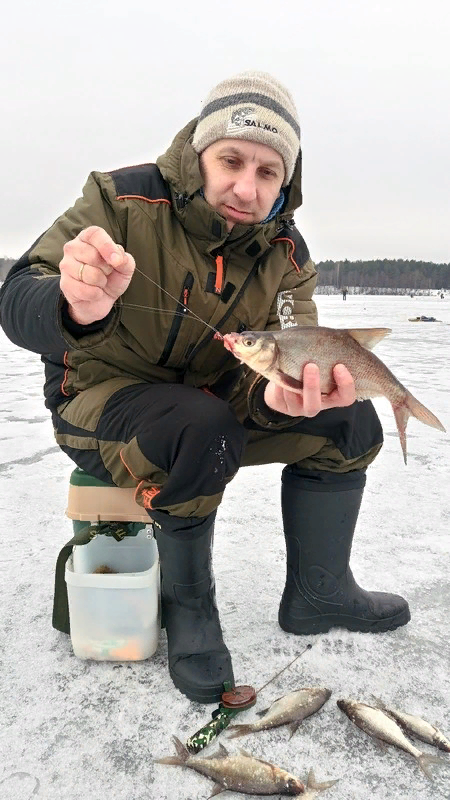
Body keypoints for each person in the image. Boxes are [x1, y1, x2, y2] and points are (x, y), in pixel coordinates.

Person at [0, 71, 410, 704]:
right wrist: (71, 302)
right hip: (101, 403)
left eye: (268, 172)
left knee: (350, 420)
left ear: (286, 181)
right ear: (199, 154)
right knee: (201, 425)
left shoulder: (288, 254)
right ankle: (189, 606)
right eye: (231, 160)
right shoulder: (121, 201)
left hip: (222, 400)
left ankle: (319, 593)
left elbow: (295, 345)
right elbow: (18, 295)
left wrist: (282, 398)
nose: (246, 188)